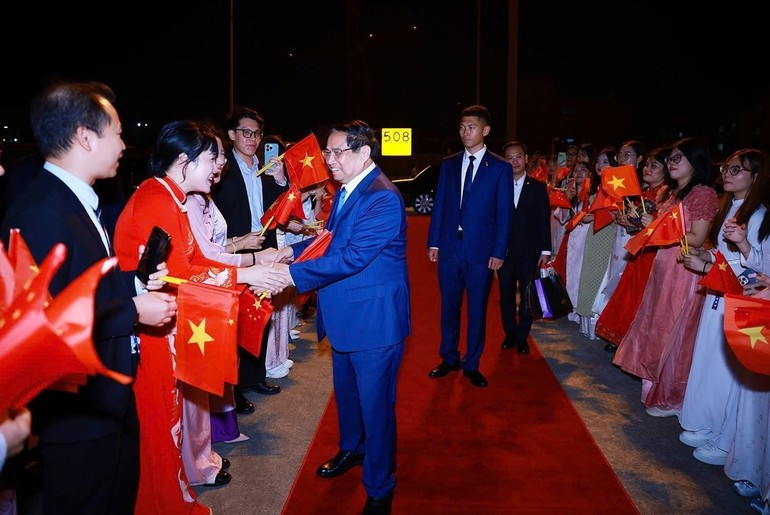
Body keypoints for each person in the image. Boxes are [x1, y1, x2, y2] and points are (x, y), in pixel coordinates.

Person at [0, 80, 177, 515]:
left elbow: (85, 286)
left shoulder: (77, 200)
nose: (124, 142)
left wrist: (134, 285)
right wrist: (134, 309)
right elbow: (46, 320)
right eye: (116, 132)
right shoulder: (42, 211)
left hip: (107, 394)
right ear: (84, 136)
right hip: (75, 410)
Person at [114, 119, 287, 513]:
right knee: (162, 422)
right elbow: (179, 272)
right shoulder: (156, 199)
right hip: (152, 328)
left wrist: (252, 265)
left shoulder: (169, 197)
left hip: (167, 322)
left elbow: (197, 260)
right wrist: (247, 272)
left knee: (172, 418)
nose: (217, 168)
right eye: (212, 158)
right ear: (183, 159)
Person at [272, 120, 410, 515]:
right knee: (349, 398)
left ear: (364, 153)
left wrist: (290, 274)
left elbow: (351, 258)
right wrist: (292, 253)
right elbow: (330, 243)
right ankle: (352, 449)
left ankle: (380, 488)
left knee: (377, 407)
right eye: (327, 152)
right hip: (347, 314)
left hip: (375, 322)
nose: (328, 160)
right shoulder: (349, 189)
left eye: (336, 152)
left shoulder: (382, 197)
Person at [427, 105, 513, 388]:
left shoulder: (500, 167)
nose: (465, 132)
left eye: (472, 127)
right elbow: (439, 205)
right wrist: (434, 242)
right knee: (448, 308)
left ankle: (472, 363)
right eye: (462, 127)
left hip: (481, 253)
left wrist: (499, 251)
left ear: (485, 130)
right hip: (451, 249)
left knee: (477, 310)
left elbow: (504, 213)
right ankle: (449, 358)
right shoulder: (450, 164)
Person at [212, 106, 288, 412]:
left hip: (265, 249)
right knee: (235, 321)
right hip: (235, 250)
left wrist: (280, 179)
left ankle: (256, 376)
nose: (252, 138)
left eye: (256, 133)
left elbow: (280, 208)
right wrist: (236, 242)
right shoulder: (222, 168)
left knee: (262, 313)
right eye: (245, 132)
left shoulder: (265, 166)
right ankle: (236, 387)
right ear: (231, 135)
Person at [497, 141, 551, 354]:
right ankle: (509, 333)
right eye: (509, 158)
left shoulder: (537, 187)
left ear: (526, 158)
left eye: (518, 156)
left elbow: (543, 221)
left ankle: (522, 336)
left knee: (528, 296)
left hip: (530, 252)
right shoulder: (498, 186)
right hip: (504, 252)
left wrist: (546, 250)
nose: (514, 161)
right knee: (506, 294)